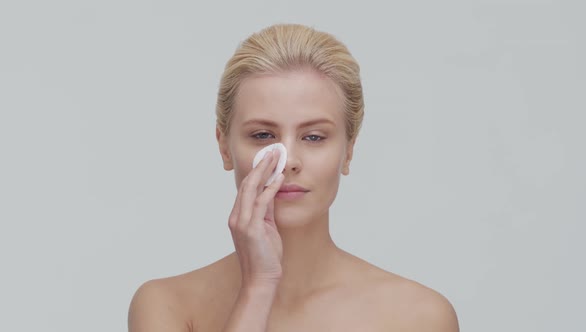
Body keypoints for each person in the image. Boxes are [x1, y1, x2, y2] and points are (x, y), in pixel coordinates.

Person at [128, 23, 459, 332]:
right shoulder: (167, 305)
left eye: (314, 137)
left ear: (348, 151)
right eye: (262, 135)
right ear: (225, 147)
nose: (287, 162)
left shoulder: (419, 316)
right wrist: (259, 286)